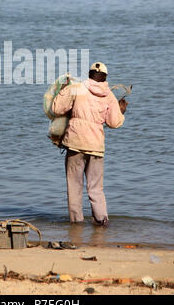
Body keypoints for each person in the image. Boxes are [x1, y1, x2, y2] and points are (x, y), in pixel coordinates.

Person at [52, 62, 128, 227]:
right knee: (95, 188)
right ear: (105, 78)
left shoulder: (77, 88)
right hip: (96, 147)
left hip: (75, 143)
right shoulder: (109, 96)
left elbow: (57, 109)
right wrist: (121, 111)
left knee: (74, 187)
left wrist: (64, 90)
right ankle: (101, 222)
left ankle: (77, 224)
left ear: (89, 74)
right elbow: (114, 123)